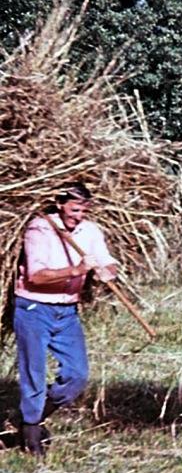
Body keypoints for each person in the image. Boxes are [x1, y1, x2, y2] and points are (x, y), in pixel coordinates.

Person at [14, 182, 118, 457]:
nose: (79, 216)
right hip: (34, 308)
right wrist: (76, 270)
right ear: (60, 205)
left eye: (83, 211)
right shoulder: (40, 228)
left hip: (67, 311)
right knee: (34, 374)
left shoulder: (90, 231)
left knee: (76, 375)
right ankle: (31, 434)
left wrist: (108, 271)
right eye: (74, 210)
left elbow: (106, 260)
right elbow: (36, 275)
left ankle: (30, 418)